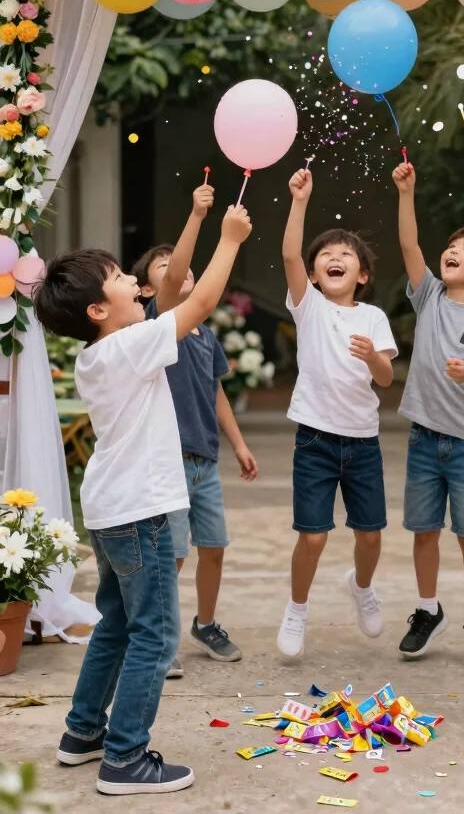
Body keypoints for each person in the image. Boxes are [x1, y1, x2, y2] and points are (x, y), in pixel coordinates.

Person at [35, 205, 252, 795]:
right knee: (154, 635)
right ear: (98, 310)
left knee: (116, 625)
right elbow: (200, 304)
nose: (136, 281)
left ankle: (84, 733)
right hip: (141, 512)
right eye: (120, 277)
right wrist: (229, 240)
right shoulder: (127, 348)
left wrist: (200, 224)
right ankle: (125, 759)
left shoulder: (103, 352)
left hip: (112, 511)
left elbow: (175, 289)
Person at [133, 183, 259, 678]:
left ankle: (205, 624)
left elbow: (216, 392)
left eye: (176, 264)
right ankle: (161, 635)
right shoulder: (158, 321)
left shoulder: (204, 334)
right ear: (147, 291)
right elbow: (180, 276)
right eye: (162, 268)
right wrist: (196, 216)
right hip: (168, 460)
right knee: (175, 554)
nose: (176, 272)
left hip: (204, 460)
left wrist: (239, 444)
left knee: (214, 548)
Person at [392, 161, 464, 668]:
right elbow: (409, 247)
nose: (452, 250)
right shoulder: (429, 297)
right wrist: (407, 193)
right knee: (423, 530)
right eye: (452, 245)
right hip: (424, 438)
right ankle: (427, 609)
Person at [277, 167, 398, 658]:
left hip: (362, 441)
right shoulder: (309, 307)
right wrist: (300, 201)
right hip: (314, 440)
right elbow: (289, 252)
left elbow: (386, 377)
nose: (334, 257)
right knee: (312, 537)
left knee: (370, 536)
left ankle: (362, 588)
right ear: (312, 274)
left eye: (345, 255)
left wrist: (371, 356)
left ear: (362, 274)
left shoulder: (373, 317)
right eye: (325, 255)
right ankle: (296, 609)